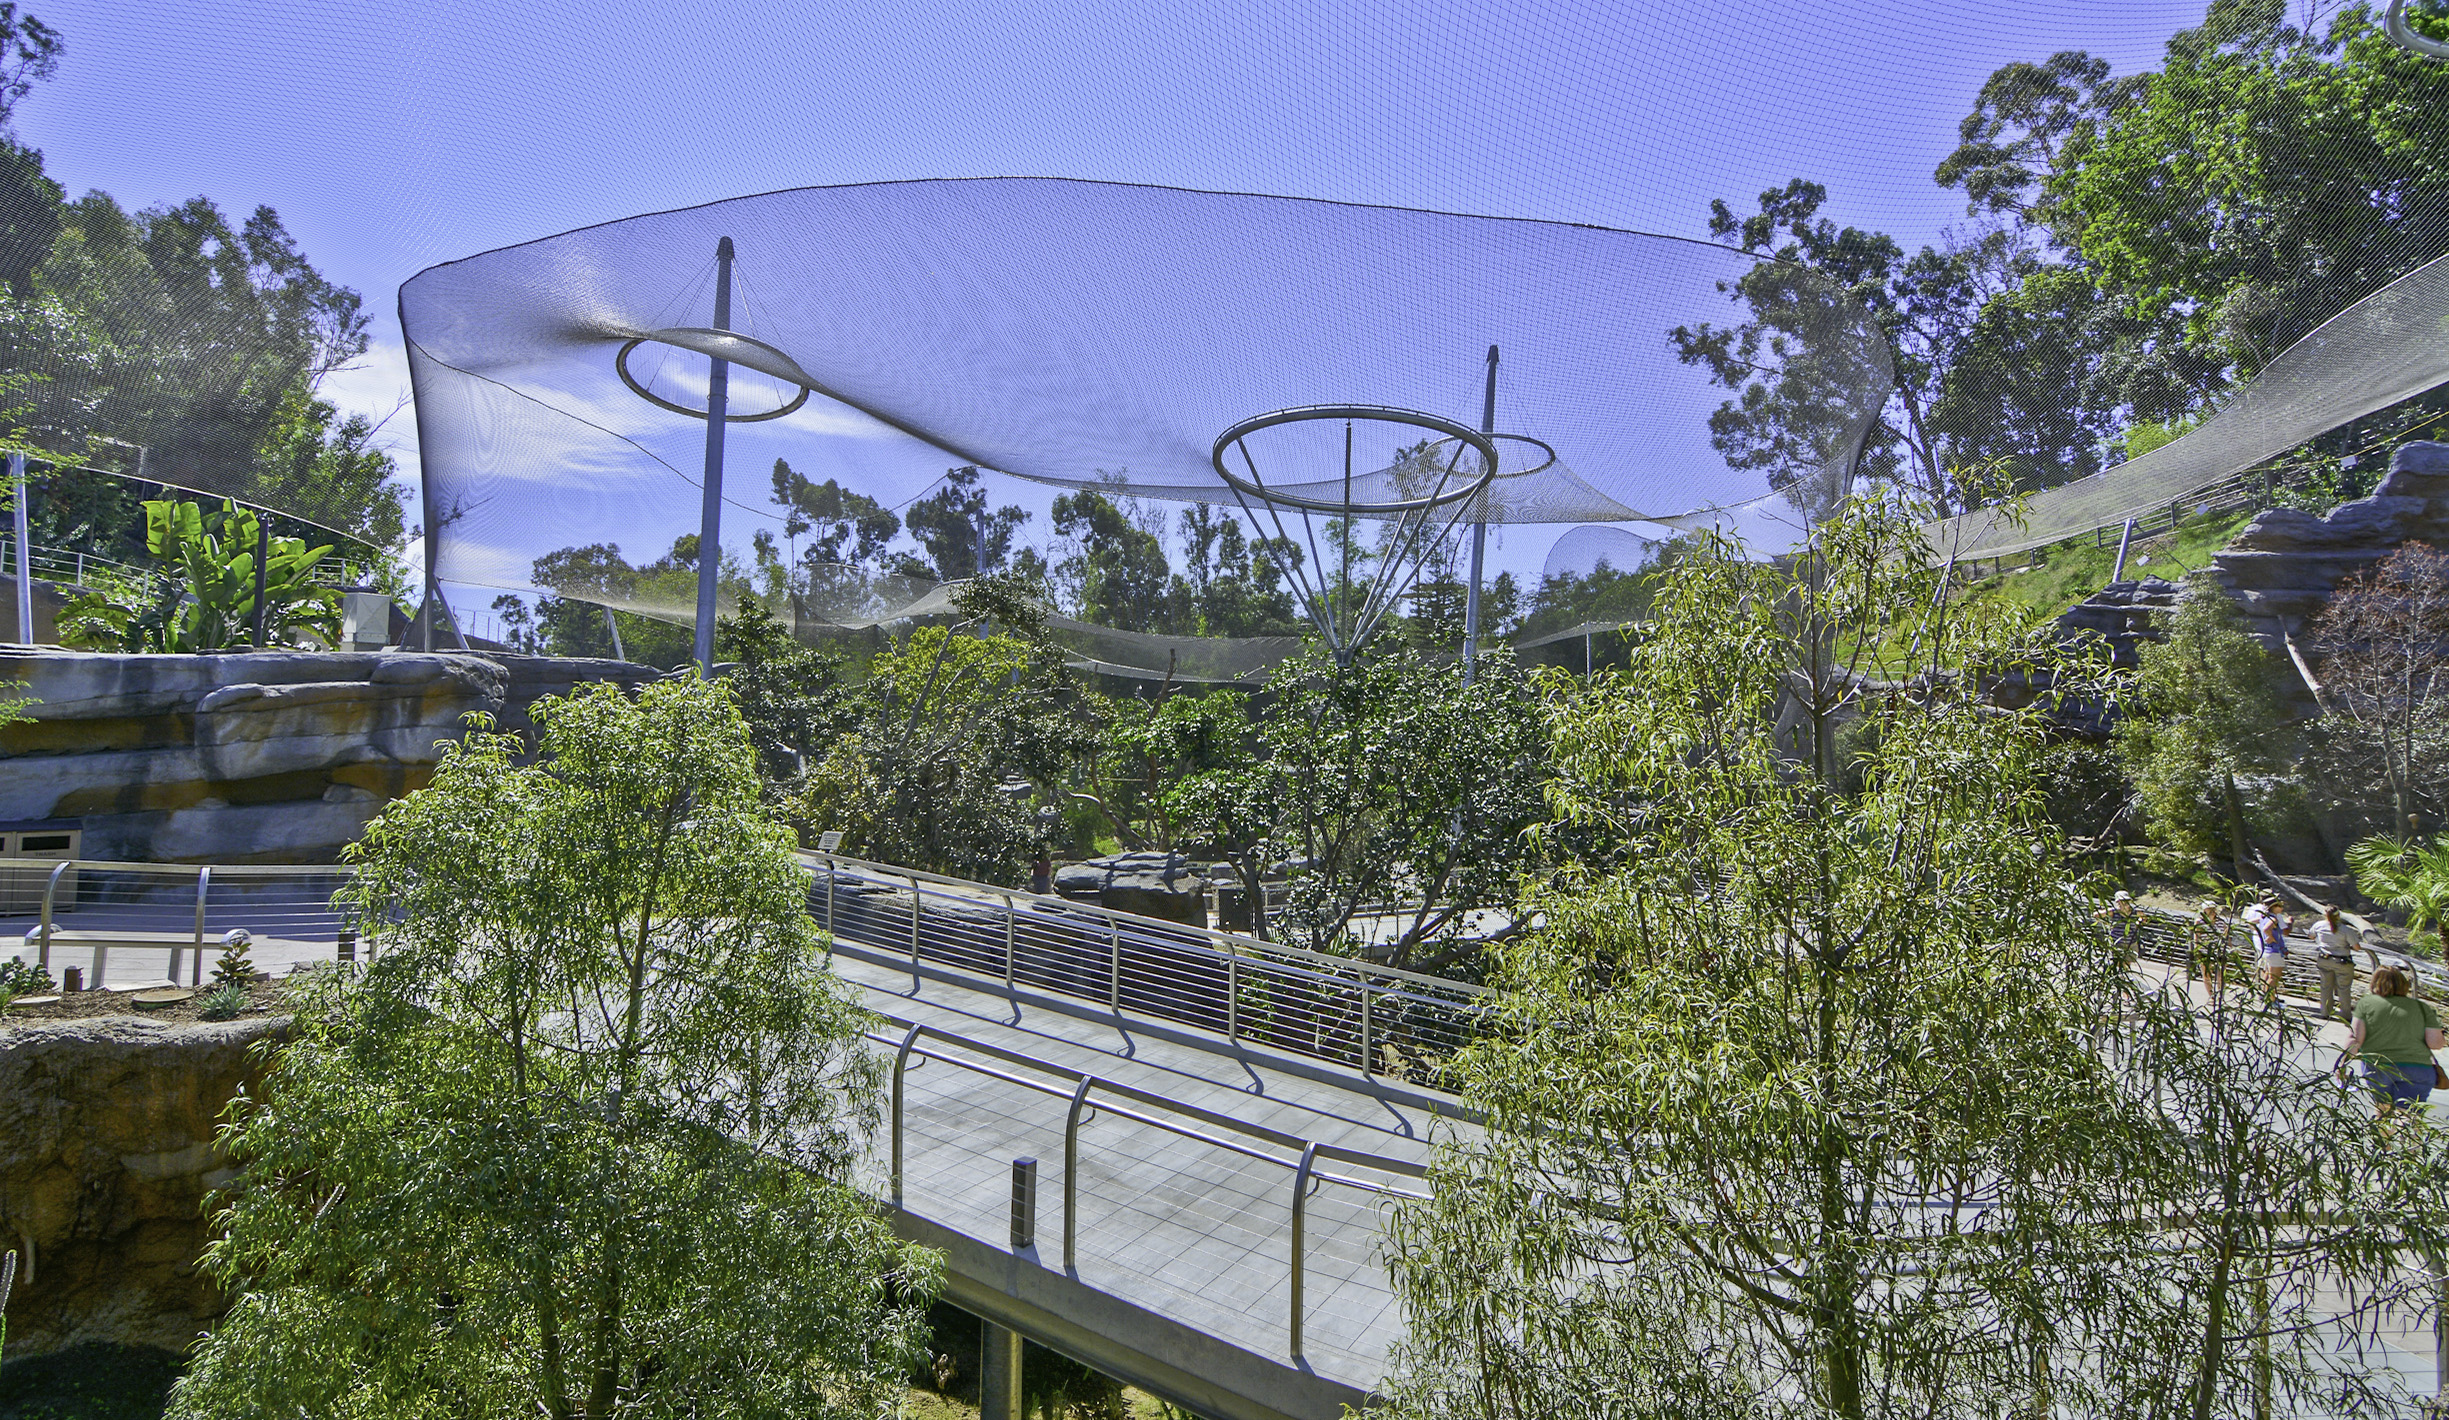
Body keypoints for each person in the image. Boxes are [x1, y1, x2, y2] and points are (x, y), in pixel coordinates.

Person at [2336, 964, 2445, 1117]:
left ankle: (2381, 1139)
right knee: (2409, 1117)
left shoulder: (2367, 1005)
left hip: (2378, 1067)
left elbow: (2354, 1039)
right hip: (2418, 1069)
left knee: (2382, 1110)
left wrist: (2342, 1064)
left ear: (2374, 983)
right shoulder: (2421, 1008)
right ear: (2404, 984)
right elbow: (2436, 1043)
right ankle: (2408, 1136)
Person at [2312, 906, 2362, 1023]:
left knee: (2325, 986)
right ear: (2339, 916)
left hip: (2324, 959)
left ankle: (2325, 1012)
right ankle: (2345, 1015)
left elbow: (2311, 935)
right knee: (2343, 988)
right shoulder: (2345, 930)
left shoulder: (2318, 925)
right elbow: (2357, 947)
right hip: (2342, 961)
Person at [2188, 900, 2235, 1000]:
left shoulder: (2221, 922)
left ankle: (2220, 996)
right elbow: (2197, 938)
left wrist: (2230, 949)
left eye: (2214, 909)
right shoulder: (2199, 922)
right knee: (2207, 975)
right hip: (2205, 952)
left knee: (2221, 975)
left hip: (2220, 951)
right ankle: (2212, 997)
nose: (2213, 912)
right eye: (2210, 910)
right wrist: (2197, 951)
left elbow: (2227, 936)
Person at [2252, 895, 2292, 1001]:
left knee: (2268, 975)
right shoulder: (2274, 918)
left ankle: (2267, 996)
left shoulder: (2263, 917)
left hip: (2267, 950)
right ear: (2274, 907)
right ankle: (2271, 1000)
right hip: (2274, 951)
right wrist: (2270, 936)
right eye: (2279, 906)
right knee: (2274, 977)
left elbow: (2255, 923)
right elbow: (2266, 929)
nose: (2282, 908)